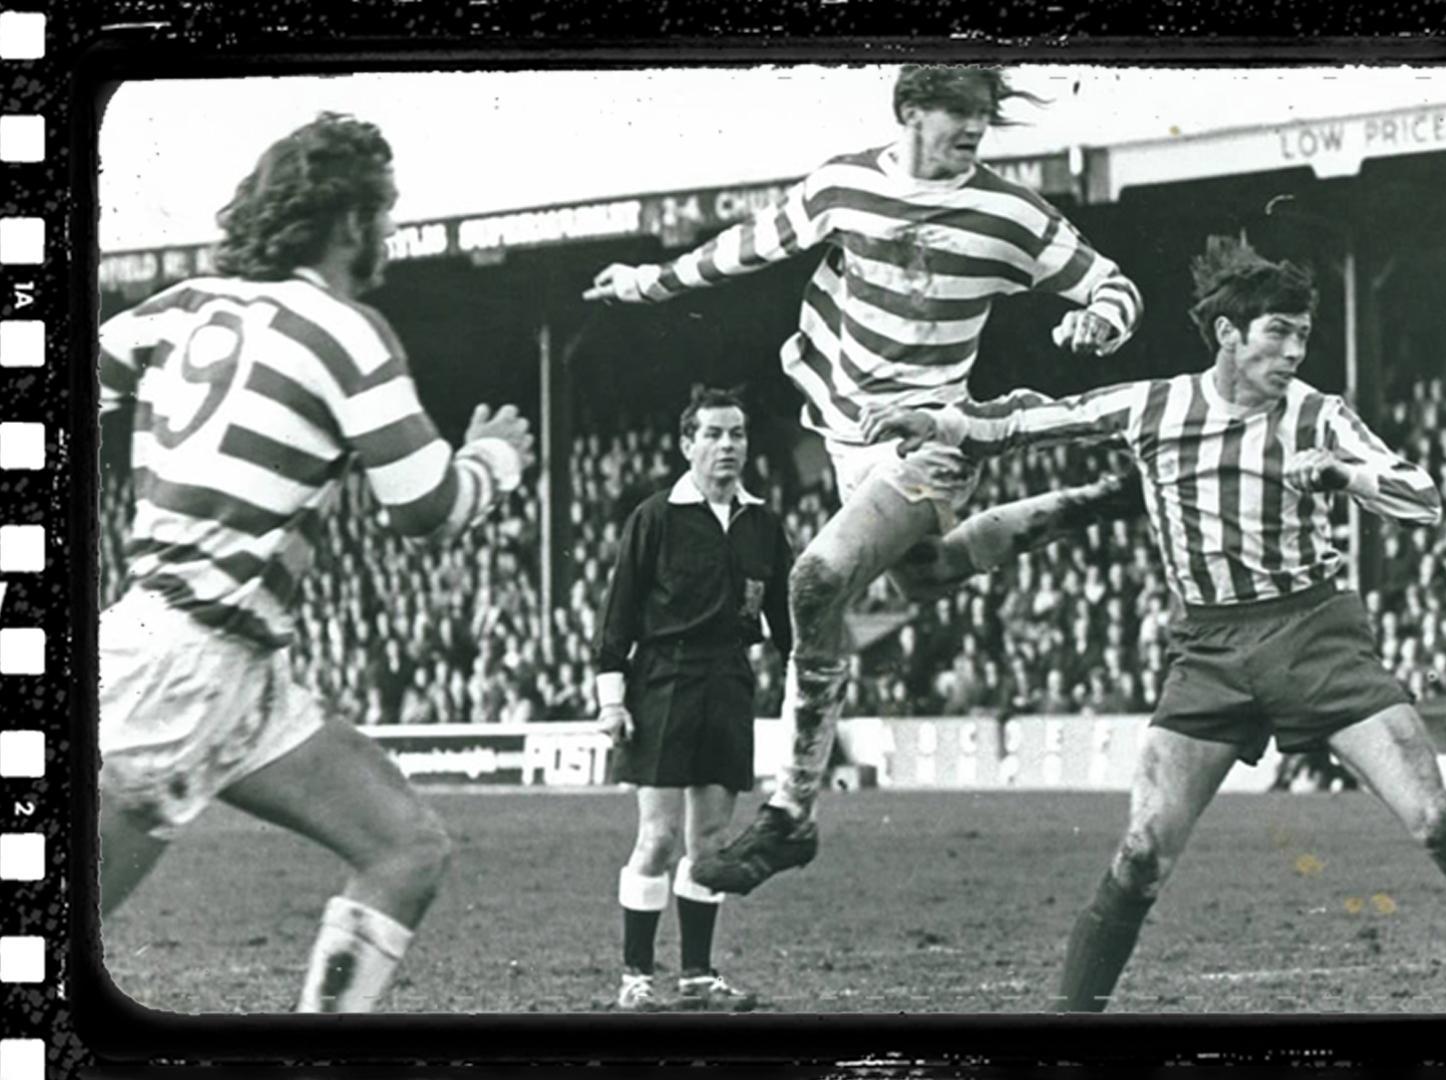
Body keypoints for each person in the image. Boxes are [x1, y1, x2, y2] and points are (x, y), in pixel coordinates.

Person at [862, 235, 1446, 1010]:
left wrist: (1347, 475)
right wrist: (936, 420)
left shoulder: (1317, 415)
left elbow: (1423, 497)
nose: (1292, 352)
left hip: (1317, 637)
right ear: (1227, 335)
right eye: (1277, 332)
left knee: (1438, 823)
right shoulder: (1157, 406)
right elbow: (1034, 420)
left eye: (1302, 335)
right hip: (1208, 652)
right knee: (1142, 854)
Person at [585, 65, 1143, 893]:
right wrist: (643, 282)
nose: (974, 132)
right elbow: (741, 249)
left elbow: (1113, 281)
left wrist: (1101, 319)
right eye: (961, 114)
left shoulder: (1009, 211)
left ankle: (791, 815)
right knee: (928, 568)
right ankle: (1097, 500)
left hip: (933, 437)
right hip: (849, 435)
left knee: (814, 581)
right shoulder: (843, 185)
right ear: (912, 110)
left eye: (984, 118)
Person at [97, 113, 533, 1012]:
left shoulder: (178, 306)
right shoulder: (345, 329)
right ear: (349, 222)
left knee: (406, 847)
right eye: (386, 213)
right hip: (182, 663)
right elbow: (425, 508)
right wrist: (496, 460)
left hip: (234, 671)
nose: (390, 235)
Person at [593, 386, 793, 1011]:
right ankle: (635, 977)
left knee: (709, 844)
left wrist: (806, 678)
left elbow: (785, 621)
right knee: (657, 839)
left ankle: (698, 977)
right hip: (663, 680)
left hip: (730, 682)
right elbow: (618, 615)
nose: (727, 445)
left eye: (736, 434)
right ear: (688, 444)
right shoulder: (655, 516)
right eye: (713, 434)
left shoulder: (763, 525)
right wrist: (612, 700)